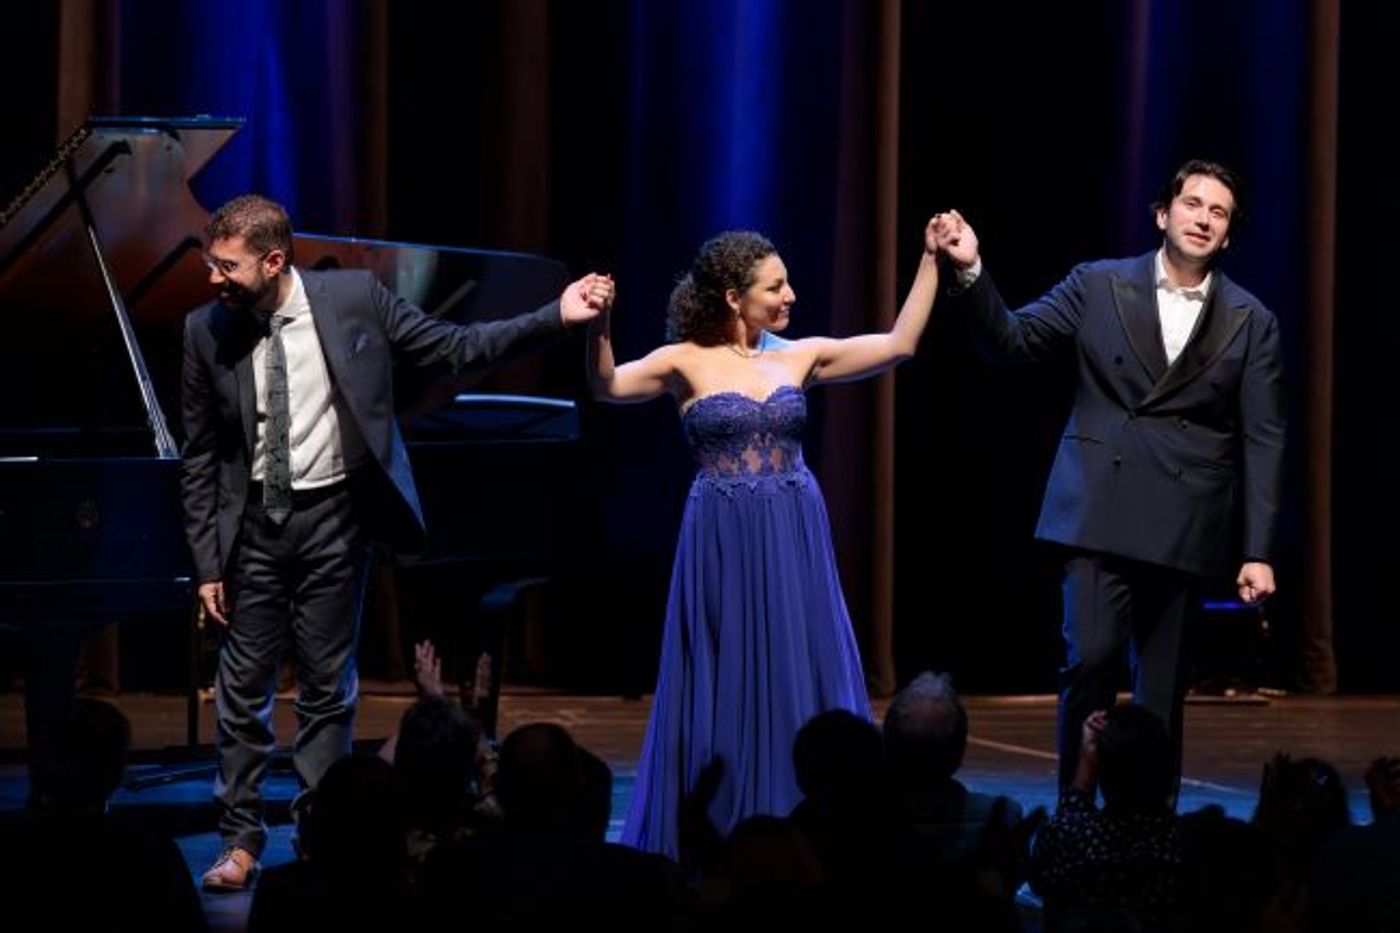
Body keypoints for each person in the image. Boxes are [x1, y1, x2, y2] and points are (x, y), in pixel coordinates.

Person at [180, 194, 612, 890]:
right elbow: (200, 453)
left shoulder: (352, 298)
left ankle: (324, 835)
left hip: (336, 522)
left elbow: (454, 348)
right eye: (211, 263)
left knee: (327, 692)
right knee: (242, 691)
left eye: (226, 265)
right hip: (255, 528)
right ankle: (239, 840)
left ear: (273, 260)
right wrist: (206, 562)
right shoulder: (206, 331)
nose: (212, 278)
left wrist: (554, 317)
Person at [932, 159, 1286, 797]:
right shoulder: (1098, 284)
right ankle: (1075, 808)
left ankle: (1148, 825)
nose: (1203, 218)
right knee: (1090, 660)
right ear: (1162, 213)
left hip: (1185, 519)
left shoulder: (1251, 319)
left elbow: (1264, 436)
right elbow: (1014, 340)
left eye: (1218, 212)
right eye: (1192, 204)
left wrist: (1258, 550)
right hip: (1098, 508)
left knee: (1160, 688)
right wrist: (970, 268)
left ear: (1229, 235)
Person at [590, 221, 941, 858]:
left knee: (796, 657)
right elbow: (607, 385)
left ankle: (812, 816)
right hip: (722, 535)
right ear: (733, 296)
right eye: (775, 287)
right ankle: (725, 823)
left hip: (793, 529)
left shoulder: (797, 355)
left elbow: (900, 343)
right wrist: (599, 325)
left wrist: (930, 259)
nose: (790, 295)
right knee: (726, 668)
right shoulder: (683, 361)